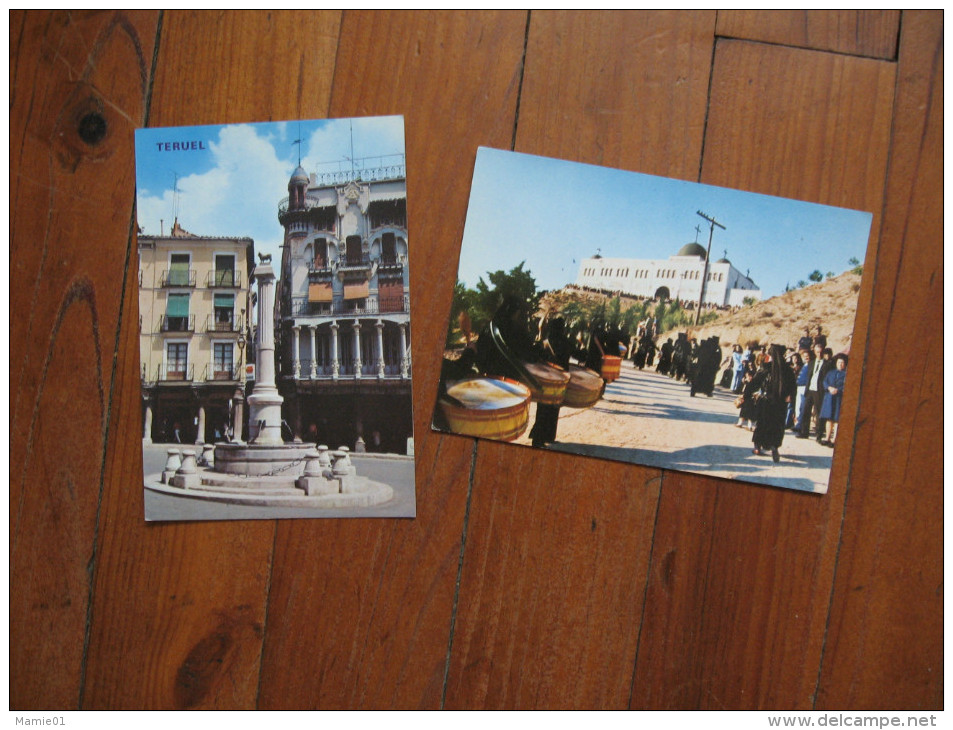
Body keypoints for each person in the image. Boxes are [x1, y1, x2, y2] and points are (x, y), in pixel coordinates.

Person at [529, 317, 573, 448]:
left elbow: (536, 355)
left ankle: (539, 438)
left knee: (542, 408)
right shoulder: (565, 341)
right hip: (560, 379)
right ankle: (545, 437)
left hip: (546, 379)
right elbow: (578, 354)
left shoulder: (545, 341)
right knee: (554, 408)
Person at [752, 343, 797, 462]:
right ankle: (774, 447)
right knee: (776, 425)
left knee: (762, 423)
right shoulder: (788, 369)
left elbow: (755, 382)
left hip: (766, 400)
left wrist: (747, 393)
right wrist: (789, 396)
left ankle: (757, 446)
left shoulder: (766, 367)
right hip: (780, 403)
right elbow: (793, 386)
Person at [797, 342, 832, 442]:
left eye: (821, 352)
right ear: (815, 352)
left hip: (819, 391)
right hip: (810, 389)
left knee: (819, 413)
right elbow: (809, 376)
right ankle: (804, 432)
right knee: (805, 411)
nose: (819, 354)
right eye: (817, 352)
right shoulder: (811, 363)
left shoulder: (827, 364)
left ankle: (819, 434)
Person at [818, 353, 848, 447]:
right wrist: (829, 388)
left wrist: (838, 390)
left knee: (836, 420)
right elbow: (824, 382)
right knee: (829, 418)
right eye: (839, 362)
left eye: (842, 363)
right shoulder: (830, 372)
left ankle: (834, 440)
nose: (840, 364)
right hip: (829, 397)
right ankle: (827, 438)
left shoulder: (847, 374)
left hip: (839, 398)